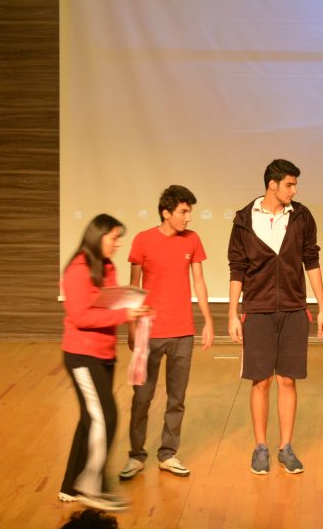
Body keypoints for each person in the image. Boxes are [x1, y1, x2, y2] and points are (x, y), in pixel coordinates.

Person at [228, 159, 323, 475]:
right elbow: (237, 268)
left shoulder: (301, 216)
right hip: (257, 310)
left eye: (295, 185)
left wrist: (322, 307)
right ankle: (261, 447)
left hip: (293, 309)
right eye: (289, 184)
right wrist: (232, 313)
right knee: (261, 381)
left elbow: (311, 261)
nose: (294, 190)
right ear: (272, 185)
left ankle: (286, 447)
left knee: (287, 379)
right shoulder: (244, 219)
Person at [119, 184, 214, 481]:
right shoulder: (143, 240)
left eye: (189, 212)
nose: (188, 217)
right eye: (183, 212)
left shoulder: (192, 240)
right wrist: (131, 327)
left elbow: (199, 282)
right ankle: (136, 456)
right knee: (142, 398)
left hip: (183, 331)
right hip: (148, 332)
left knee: (177, 398)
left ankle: (168, 454)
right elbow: (134, 287)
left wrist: (208, 320)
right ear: (166, 212)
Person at [59, 214, 152, 512]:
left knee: (90, 419)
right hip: (81, 356)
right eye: (113, 238)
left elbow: (108, 304)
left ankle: (71, 485)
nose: (117, 243)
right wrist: (124, 315)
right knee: (106, 417)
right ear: (97, 236)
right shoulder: (77, 270)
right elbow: (80, 316)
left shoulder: (107, 266)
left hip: (103, 354)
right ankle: (93, 487)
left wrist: (134, 306)